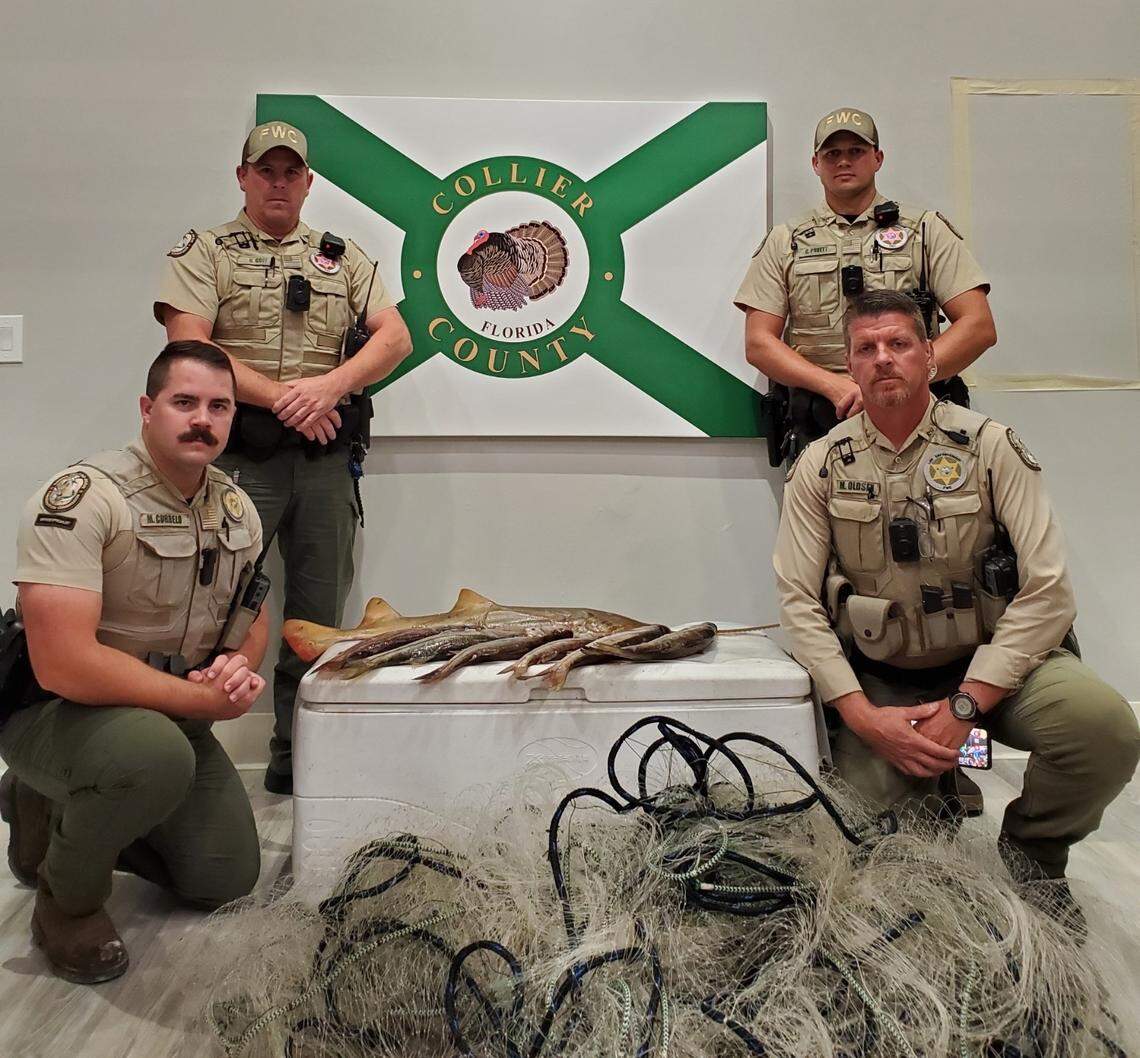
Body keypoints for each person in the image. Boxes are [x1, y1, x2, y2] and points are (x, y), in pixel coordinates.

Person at [773, 290, 1139, 930]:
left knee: (1102, 731)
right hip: (890, 681)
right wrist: (861, 716)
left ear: (930, 355)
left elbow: (1049, 588)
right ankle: (932, 791)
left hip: (1000, 669)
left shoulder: (991, 448)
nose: (883, 358)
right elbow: (799, 603)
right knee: (883, 854)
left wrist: (966, 707)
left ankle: (1034, 856)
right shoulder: (821, 466)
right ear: (850, 367)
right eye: (866, 349)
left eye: (899, 344)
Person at [154, 120, 413, 794]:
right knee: (211, 613)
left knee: (316, 618)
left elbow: (395, 339)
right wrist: (284, 398)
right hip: (239, 464)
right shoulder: (205, 251)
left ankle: (300, 765)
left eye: (290, 171)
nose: (278, 181)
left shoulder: (342, 255)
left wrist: (329, 386)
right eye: (264, 170)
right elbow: (190, 349)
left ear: (308, 181)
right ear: (242, 177)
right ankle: (179, 765)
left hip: (325, 462)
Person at [0, 342, 268, 983]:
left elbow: (252, 617)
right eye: (184, 402)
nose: (202, 418)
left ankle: (51, 807)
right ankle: (65, 905)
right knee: (152, 757)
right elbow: (64, 664)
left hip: (161, 720)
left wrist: (234, 667)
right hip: (55, 712)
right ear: (148, 410)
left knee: (224, 877)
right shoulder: (83, 498)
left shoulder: (236, 508)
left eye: (219, 406)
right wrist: (202, 703)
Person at [735, 106, 997, 463]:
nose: (844, 161)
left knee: (936, 516)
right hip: (824, 421)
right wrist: (837, 387)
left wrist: (912, 377)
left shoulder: (924, 230)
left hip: (916, 419)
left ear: (877, 158)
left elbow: (978, 325)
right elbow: (759, 343)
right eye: (833, 154)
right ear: (816, 163)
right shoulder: (787, 241)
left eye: (856, 151)